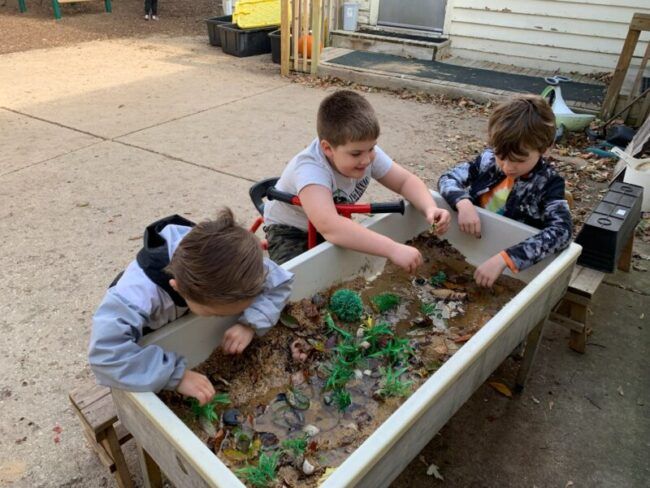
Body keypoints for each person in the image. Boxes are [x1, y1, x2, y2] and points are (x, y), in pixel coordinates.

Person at [88, 209, 295, 405]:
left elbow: (280, 282)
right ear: (178, 288)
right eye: (213, 314)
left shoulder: (234, 263)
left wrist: (250, 323)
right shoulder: (137, 296)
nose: (217, 318)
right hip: (144, 340)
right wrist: (176, 377)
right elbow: (104, 354)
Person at [263, 89, 451, 271]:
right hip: (290, 230)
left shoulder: (363, 150)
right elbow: (330, 226)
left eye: (372, 148)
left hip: (330, 220)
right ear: (327, 148)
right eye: (356, 154)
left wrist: (429, 207)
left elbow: (404, 181)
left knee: (349, 267)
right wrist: (393, 249)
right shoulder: (310, 169)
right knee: (295, 283)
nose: (367, 159)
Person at [438, 94, 572, 287]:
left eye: (519, 160)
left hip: (513, 263)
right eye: (501, 156)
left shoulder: (548, 182)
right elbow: (447, 178)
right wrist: (462, 201)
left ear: (545, 149)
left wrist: (506, 258)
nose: (508, 167)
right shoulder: (488, 161)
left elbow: (562, 231)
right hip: (474, 244)